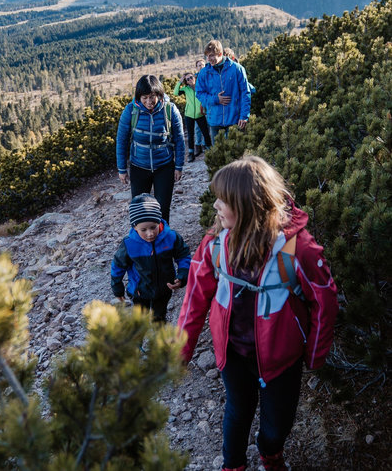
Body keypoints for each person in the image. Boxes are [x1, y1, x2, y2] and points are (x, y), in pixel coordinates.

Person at [177, 156, 338, 471]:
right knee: (237, 410)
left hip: (281, 359)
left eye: (224, 201)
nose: (216, 206)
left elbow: (325, 300)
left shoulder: (296, 249)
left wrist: (315, 353)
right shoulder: (215, 244)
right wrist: (181, 350)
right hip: (233, 352)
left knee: (277, 425)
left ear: (248, 207)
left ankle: (270, 453)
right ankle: (233, 464)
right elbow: (195, 297)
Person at [111, 193, 191, 322]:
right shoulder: (129, 244)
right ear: (134, 227)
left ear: (159, 220)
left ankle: (159, 341)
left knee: (159, 319)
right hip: (139, 292)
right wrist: (117, 288)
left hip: (164, 290)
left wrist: (183, 274)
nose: (150, 233)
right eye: (143, 229)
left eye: (153, 227)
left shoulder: (171, 237)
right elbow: (118, 265)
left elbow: (183, 255)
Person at [116, 74, 185, 222]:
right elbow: (121, 140)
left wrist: (178, 166)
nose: (149, 102)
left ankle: (163, 242)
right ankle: (142, 243)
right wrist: (122, 169)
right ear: (138, 97)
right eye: (144, 97)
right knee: (139, 210)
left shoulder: (170, 110)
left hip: (164, 167)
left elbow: (179, 139)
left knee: (163, 209)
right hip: (139, 167)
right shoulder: (130, 111)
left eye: (152, 97)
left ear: (159, 94)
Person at [195, 40, 252, 145]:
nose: (209, 59)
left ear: (220, 54)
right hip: (214, 121)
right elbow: (199, 93)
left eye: (211, 55)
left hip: (234, 120)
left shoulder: (237, 69)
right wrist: (215, 99)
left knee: (236, 156)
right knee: (218, 158)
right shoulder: (203, 73)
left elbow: (245, 93)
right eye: (207, 56)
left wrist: (244, 116)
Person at [173, 72, 212, 162]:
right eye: (187, 79)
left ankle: (210, 150)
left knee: (205, 132)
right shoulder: (185, 89)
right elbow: (175, 93)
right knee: (190, 135)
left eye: (191, 77)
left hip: (200, 114)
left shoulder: (200, 86)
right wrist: (180, 82)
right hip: (189, 115)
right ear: (186, 81)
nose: (190, 79)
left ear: (194, 77)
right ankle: (191, 153)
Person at [194, 59, 206, 153]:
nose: (201, 66)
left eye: (202, 64)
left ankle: (205, 143)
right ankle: (198, 145)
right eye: (199, 65)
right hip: (198, 106)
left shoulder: (209, 76)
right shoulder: (194, 79)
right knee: (198, 127)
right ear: (196, 68)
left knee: (208, 125)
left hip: (207, 104)